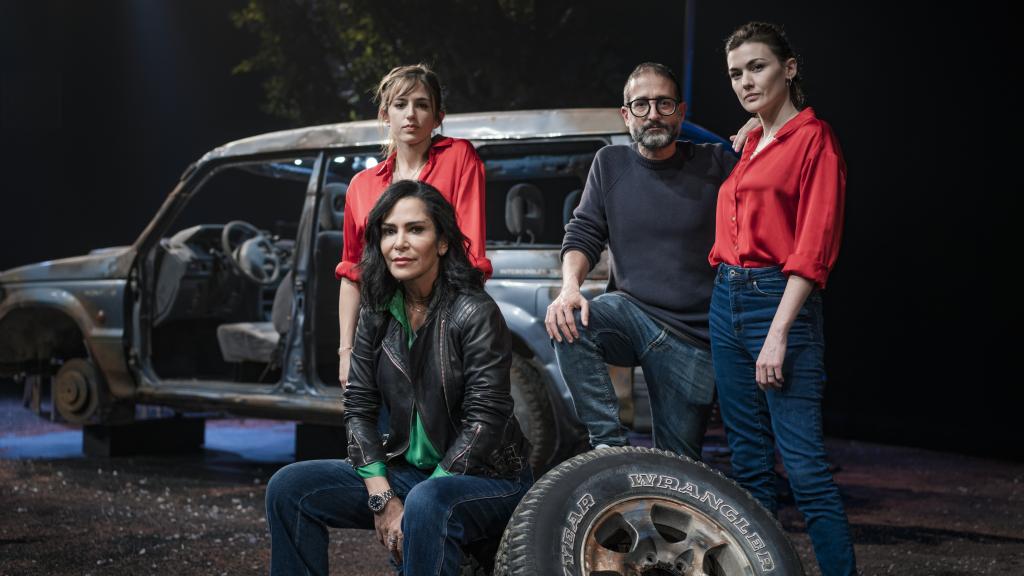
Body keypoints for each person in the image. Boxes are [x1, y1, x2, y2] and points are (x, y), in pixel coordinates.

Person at [267, 180, 531, 576]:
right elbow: (358, 406)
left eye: (416, 229)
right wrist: (382, 497)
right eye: (389, 231)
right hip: (412, 472)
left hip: (487, 478)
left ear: (442, 242)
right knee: (289, 488)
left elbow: (485, 421)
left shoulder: (475, 312)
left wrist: (423, 494)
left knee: (428, 502)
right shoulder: (377, 310)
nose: (399, 243)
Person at [708, 22, 857, 575]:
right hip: (726, 298)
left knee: (805, 468)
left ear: (789, 68)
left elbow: (815, 247)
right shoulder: (753, 141)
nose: (745, 81)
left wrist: (778, 333)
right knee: (748, 465)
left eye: (757, 67)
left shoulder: (815, 140)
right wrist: (756, 128)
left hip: (779, 301)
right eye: (735, 73)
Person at [544, 62, 748, 461]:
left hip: (694, 339)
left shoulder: (716, 163)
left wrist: (757, 133)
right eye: (641, 105)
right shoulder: (609, 164)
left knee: (677, 468)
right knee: (566, 320)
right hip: (630, 314)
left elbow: (767, 181)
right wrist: (570, 289)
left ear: (681, 112)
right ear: (626, 115)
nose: (652, 113)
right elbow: (583, 232)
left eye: (663, 103)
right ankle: (610, 447)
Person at [337, 64, 491, 389]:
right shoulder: (361, 185)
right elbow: (353, 273)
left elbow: (471, 254)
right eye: (400, 104)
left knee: (446, 429)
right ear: (384, 114)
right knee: (379, 430)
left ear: (438, 117)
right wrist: (346, 350)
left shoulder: (459, 157)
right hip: (380, 327)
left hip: (444, 319)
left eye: (422, 105)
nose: (411, 115)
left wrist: (462, 332)